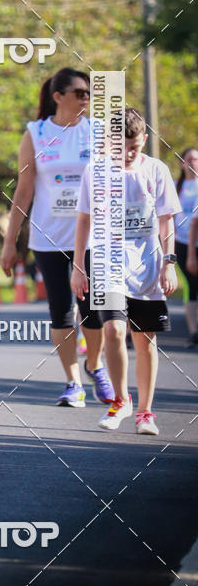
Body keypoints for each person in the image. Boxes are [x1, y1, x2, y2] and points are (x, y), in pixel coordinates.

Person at [0, 67, 113, 407]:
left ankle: (95, 365)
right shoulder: (36, 133)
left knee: (93, 311)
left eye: (89, 93)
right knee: (61, 310)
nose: (86, 98)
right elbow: (24, 191)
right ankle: (73, 381)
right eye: (79, 93)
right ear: (58, 96)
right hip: (48, 237)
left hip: (92, 239)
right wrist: (9, 242)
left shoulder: (97, 131)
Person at [71, 108, 180, 435]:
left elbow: (166, 221)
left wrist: (169, 263)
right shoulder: (95, 171)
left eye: (134, 147)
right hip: (108, 264)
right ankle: (120, 400)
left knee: (145, 340)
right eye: (121, 148)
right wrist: (79, 266)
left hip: (147, 266)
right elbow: (84, 220)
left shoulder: (156, 171)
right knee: (114, 331)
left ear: (144, 139)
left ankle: (145, 412)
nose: (127, 154)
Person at [173, 148, 198, 347]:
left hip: (195, 242)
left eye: (196, 159)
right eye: (189, 159)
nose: (193, 163)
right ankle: (193, 331)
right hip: (182, 243)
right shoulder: (176, 186)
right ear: (183, 163)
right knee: (191, 285)